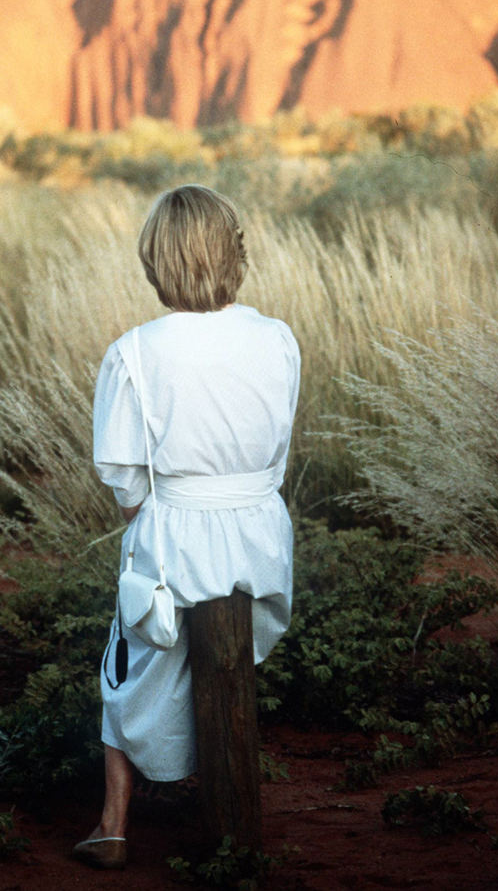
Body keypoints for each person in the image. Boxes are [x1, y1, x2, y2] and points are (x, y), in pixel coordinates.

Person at [72, 184, 301, 870]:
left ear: (156, 259)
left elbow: (124, 481)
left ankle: (113, 820)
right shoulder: (277, 338)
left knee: (126, 660)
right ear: (233, 252)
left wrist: (153, 522)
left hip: (172, 535)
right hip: (262, 539)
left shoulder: (135, 352)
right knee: (224, 661)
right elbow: (279, 454)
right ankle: (226, 801)